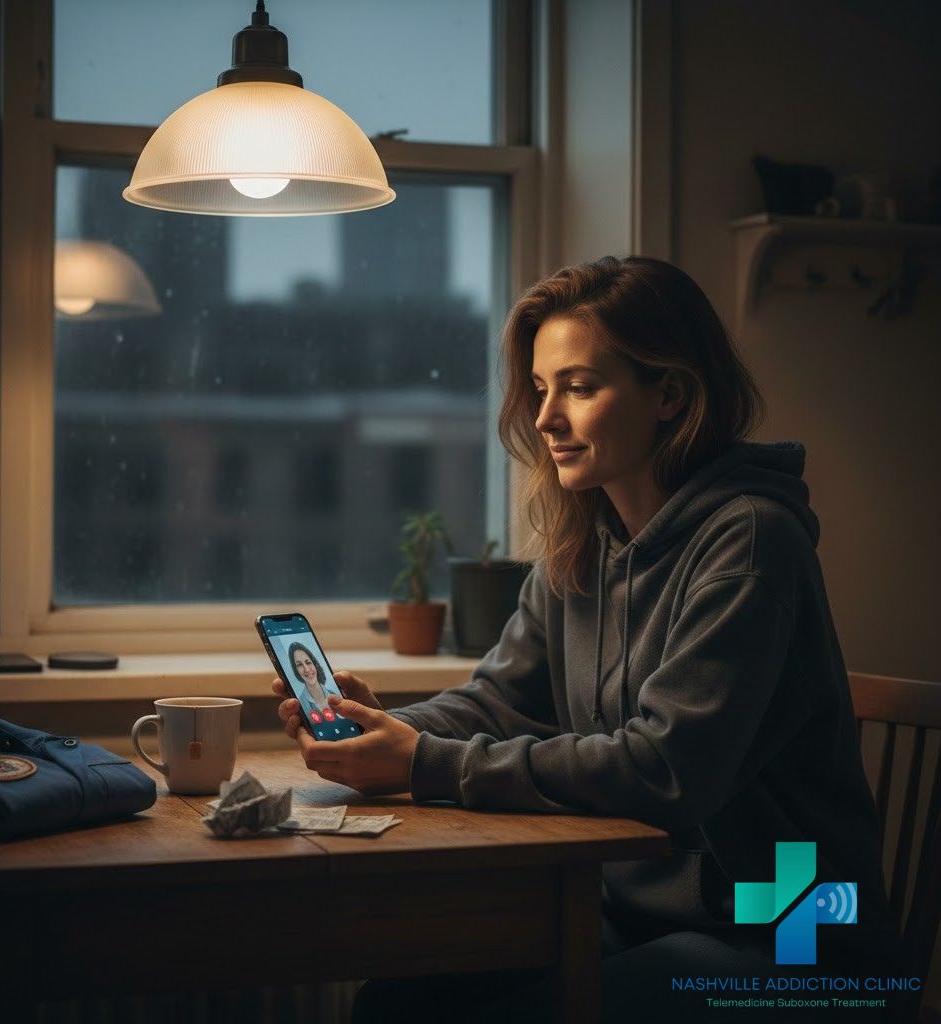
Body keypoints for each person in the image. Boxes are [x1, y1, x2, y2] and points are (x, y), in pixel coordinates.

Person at [272, 258, 900, 1022]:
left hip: (796, 934)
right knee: (393, 1006)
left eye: (579, 386)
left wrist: (422, 762)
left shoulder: (752, 542)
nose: (543, 419)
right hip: (643, 913)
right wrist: (394, 730)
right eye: (540, 389)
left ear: (669, 394)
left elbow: (667, 771)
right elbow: (500, 700)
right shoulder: (588, 542)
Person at [287, 641, 333, 724]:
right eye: (299, 665)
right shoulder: (300, 704)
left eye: (308, 662)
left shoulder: (335, 696)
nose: (307, 669)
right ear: (296, 670)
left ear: (315, 664)